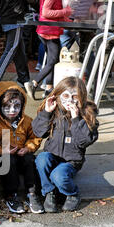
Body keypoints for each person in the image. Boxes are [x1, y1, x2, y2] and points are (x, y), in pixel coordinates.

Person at [32, 76, 98, 212]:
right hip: (52, 155)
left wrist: (76, 119)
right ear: (58, 96)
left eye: (75, 97)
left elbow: (83, 141)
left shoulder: (86, 114)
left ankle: (72, 194)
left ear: (82, 97)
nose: (70, 101)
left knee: (58, 175)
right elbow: (39, 132)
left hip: (71, 161)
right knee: (41, 159)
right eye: (66, 96)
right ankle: (49, 191)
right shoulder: (54, 111)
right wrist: (46, 112)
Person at [0, 81, 44, 214]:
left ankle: (32, 194)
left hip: (22, 154)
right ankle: (12, 195)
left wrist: (28, 148)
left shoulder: (27, 121)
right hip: (5, 156)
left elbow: (34, 138)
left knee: (29, 159)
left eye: (16, 106)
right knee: (8, 160)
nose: (12, 110)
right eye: (7, 106)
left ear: (22, 105)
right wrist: (2, 150)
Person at [26, 0, 72, 100]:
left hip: (47, 30)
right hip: (49, 31)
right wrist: (65, 12)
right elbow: (45, 12)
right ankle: (34, 83)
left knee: (51, 61)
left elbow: (55, 12)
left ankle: (48, 89)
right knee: (53, 61)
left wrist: (69, 21)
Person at [0, 0, 31, 93]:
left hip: (7, 19)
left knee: (19, 50)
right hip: (14, 20)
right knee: (11, 50)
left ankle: (23, 79)